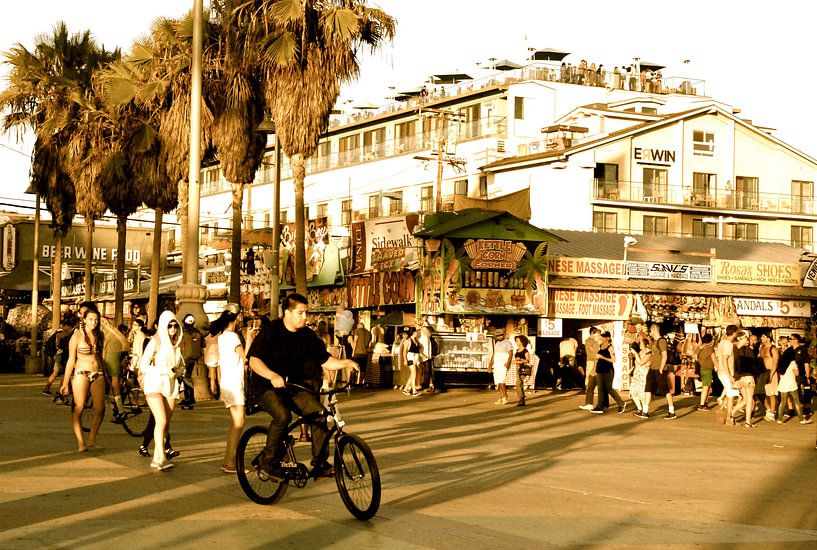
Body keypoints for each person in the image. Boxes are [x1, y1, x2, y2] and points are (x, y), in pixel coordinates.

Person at [247, 293, 359, 482]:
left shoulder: (307, 334)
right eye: (301, 313)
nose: (305, 317)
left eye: (306, 313)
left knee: (319, 413)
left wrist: (346, 363)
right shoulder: (272, 330)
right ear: (287, 313)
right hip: (265, 386)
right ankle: (268, 460)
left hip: (293, 386)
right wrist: (272, 375)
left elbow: (324, 359)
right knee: (283, 416)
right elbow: (254, 360)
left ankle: (320, 462)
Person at [139, 311, 183, 471]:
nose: (173, 328)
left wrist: (177, 371)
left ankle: (157, 458)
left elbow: (181, 365)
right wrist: (164, 370)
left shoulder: (175, 344)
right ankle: (162, 458)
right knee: (162, 420)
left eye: (175, 325)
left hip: (170, 386)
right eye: (169, 325)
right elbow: (143, 365)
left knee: (165, 424)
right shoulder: (154, 343)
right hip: (154, 384)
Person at [59, 303, 105, 452]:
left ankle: (92, 439)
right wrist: (65, 383)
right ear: (84, 319)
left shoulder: (100, 335)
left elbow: (101, 358)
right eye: (91, 319)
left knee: (100, 409)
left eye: (96, 320)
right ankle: (81, 442)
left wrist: (108, 376)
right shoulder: (77, 336)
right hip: (81, 373)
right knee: (79, 407)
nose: (93, 322)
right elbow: (71, 360)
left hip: (98, 374)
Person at [209, 305, 246, 473]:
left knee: (235, 423)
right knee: (238, 422)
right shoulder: (233, 337)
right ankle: (230, 462)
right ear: (237, 319)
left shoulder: (222, 336)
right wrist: (250, 337)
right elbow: (246, 358)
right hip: (234, 383)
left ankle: (228, 460)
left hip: (227, 382)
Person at [777, 335, 812, 425]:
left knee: (783, 401)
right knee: (796, 400)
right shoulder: (792, 362)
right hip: (791, 383)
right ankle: (802, 419)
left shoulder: (781, 362)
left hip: (783, 383)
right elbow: (796, 372)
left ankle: (779, 419)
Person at [591, 332, 626, 414]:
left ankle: (621, 403)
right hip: (599, 370)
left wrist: (602, 357)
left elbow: (613, 360)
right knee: (600, 389)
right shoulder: (600, 346)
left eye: (603, 337)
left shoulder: (610, 347)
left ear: (607, 338)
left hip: (608, 370)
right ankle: (600, 406)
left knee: (609, 388)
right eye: (601, 337)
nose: (601, 338)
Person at [715, 325, 740, 425]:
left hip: (722, 371)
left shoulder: (722, 342)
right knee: (731, 395)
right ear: (734, 333)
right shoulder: (728, 344)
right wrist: (730, 375)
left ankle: (723, 412)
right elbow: (725, 359)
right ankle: (730, 418)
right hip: (726, 372)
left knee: (730, 394)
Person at [734, 330, 759, 428]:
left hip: (739, 377)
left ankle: (731, 413)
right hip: (748, 376)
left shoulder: (735, 349)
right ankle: (748, 421)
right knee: (749, 400)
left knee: (745, 399)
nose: (747, 340)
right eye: (746, 338)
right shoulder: (748, 350)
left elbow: (734, 364)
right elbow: (753, 365)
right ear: (740, 338)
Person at [179, 313, 204, 410]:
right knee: (187, 377)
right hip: (194, 358)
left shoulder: (183, 332)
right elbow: (203, 345)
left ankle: (189, 398)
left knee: (186, 377)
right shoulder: (197, 332)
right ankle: (189, 397)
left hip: (185, 358)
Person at [758, 331, 779, 421]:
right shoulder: (762, 348)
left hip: (771, 371)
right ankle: (768, 408)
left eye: (763, 337)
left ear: (768, 337)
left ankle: (772, 412)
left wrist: (772, 374)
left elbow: (775, 362)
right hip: (762, 372)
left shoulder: (773, 349)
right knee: (760, 392)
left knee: (771, 394)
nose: (761, 338)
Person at [579, 328, 601, 410]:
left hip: (596, 361)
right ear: (592, 333)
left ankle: (592, 394)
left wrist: (595, 347)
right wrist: (596, 344)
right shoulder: (588, 341)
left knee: (596, 378)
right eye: (596, 334)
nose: (598, 336)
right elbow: (591, 351)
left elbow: (596, 350)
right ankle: (588, 394)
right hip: (591, 361)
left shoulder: (598, 341)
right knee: (589, 377)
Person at [630, 337, 652, 417]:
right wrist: (632, 369)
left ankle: (644, 410)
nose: (640, 345)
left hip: (643, 374)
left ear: (645, 345)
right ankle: (639, 408)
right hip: (637, 373)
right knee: (633, 391)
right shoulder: (641, 352)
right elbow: (636, 363)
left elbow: (641, 362)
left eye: (641, 344)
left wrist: (635, 353)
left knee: (642, 393)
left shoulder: (648, 353)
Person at [491, 328, 514, 405]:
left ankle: (505, 397)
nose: (499, 337)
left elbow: (510, 353)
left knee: (502, 381)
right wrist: (490, 365)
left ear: (503, 335)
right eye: (498, 336)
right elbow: (494, 354)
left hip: (503, 364)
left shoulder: (507, 343)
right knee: (498, 382)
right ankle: (501, 397)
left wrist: (508, 363)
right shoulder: (497, 344)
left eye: (501, 335)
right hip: (497, 364)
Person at [696, 333, 717, 411]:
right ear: (710, 341)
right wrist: (718, 368)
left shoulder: (699, 348)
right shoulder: (710, 349)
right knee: (705, 387)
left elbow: (695, 356)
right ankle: (702, 405)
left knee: (706, 387)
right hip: (707, 370)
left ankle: (705, 402)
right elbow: (714, 360)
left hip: (700, 369)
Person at [350, 321, 371, 385]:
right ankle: (361, 382)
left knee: (354, 367)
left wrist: (353, 351)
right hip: (365, 353)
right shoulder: (369, 333)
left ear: (358, 326)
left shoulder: (357, 330)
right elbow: (369, 345)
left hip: (357, 352)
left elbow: (355, 341)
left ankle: (353, 382)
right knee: (363, 369)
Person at [402, 328, 422, 397]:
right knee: (414, 373)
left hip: (416, 357)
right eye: (416, 332)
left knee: (413, 374)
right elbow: (404, 351)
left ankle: (406, 388)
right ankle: (414, 390)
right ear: (413, 333)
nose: (417, 333)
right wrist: (405, 360)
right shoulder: (408, 341)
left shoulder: (416, 340)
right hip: (410, 357)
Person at [513, 335, 531, 406]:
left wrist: (520, 360)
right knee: (519, 383)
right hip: (518, 367)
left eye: (518, 341)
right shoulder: (517, 350)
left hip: (524, 367)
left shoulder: (525, 351)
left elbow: (527, 360)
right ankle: (521, 398)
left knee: (518, 382)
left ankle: (521, 397)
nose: (516, 342)